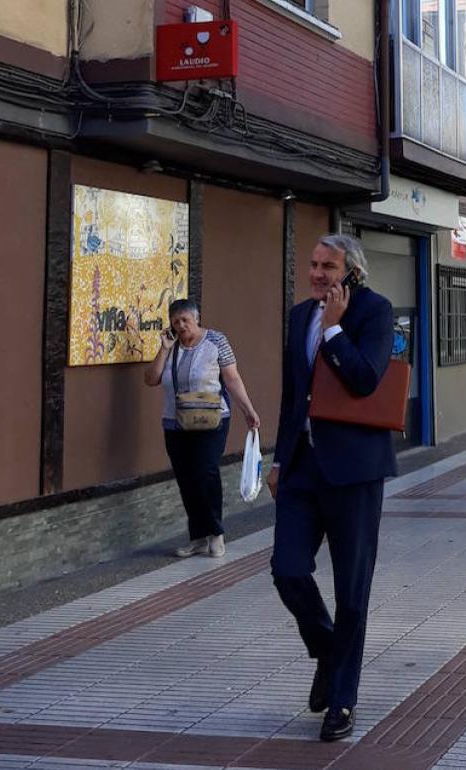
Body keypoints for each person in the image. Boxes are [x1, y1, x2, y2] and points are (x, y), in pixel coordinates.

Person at [265, 233, 396, 742]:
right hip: (301, 469)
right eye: (314, 264)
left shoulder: (375, 312)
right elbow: (291, 396)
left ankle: (342, 700)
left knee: (352, 591)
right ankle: (328, 651)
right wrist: (280, 460)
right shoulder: (299, 316)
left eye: (328, 265)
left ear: (352, 272)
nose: (317, 273)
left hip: (355, 472)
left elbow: (367, 379)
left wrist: (336, 331)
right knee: (287, 570)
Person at [144, 299, 260, 559]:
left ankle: (215, 533)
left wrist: (248, 410)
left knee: (206, 472)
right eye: (176, 321)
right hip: (175, 422)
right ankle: (197, 537)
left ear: (197, 319)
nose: (181, 325)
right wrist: (163, 350)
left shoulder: (216, 342)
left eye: (186, 320)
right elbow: (150, 379)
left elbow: (232, 378)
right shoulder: (171, 347)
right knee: (186, 478)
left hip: (211, 419)